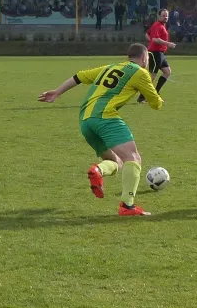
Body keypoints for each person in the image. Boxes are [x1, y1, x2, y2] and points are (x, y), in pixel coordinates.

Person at [38, 43, 163, 216]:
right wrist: (156, 96)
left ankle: (98, 170)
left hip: (85, 119)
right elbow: (156, 104)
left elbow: (79, 76)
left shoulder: (111, 67)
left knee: (117, 162)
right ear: (144, 58)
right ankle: (127, 206)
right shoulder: (141, 73)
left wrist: (57, 93)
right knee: (133, 158)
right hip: (105, 117)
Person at [137, 9, 176, 103]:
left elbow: (147, 34)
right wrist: (168, 44)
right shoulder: (157, 25)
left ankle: (156, 93)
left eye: (166, 16)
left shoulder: (161, 25)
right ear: (159, 16)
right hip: (155, 53)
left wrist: (152, 41)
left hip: (160, 53)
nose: (165, 17)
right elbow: (154, 39)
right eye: (163, 16)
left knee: (167, 72)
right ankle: (142, 97)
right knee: (152, 76)